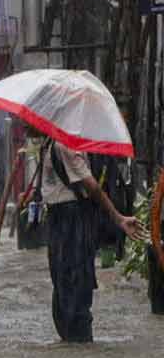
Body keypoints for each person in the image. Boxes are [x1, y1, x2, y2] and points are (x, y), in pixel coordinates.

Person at [39, 134, 146, 342]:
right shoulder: (50, 143)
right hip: (59, 218)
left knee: (74, 288)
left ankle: (79, 345)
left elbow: (92, 186)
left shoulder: (65, 144)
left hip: (72, 220)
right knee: (62, 288)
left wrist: (118, 218)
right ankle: (72, 350)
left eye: (27, 121)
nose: (24, 124)